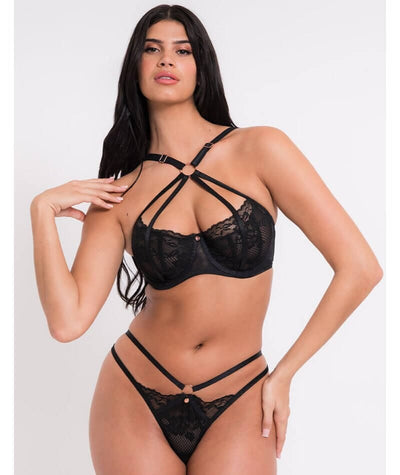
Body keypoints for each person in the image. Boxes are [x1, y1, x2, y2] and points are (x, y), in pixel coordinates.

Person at [29, 4, 383, 475]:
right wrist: (41, 212)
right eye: (152, 49)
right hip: (135, 391)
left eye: (182, 51)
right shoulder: (117, 196)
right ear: (135, 66)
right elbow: (67, 323)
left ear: (202, 67)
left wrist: (284, 374)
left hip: (241, 392)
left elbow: (360, 268)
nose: (166, 59)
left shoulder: (261, 149)